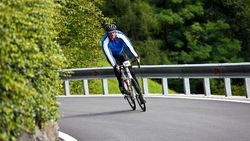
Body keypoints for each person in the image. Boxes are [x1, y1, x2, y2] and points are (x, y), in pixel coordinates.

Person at [101, 24, 140, 95]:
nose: (112, 34)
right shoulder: (105, 41)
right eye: (110, 33)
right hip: (112, 57)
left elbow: (129, 47)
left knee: (131, 72)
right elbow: (108, 55)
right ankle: (122, 88)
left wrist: (136, 57)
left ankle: (139, 92)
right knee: (118, 72)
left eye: (113, 32)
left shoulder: (120, 35)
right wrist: (115, 65)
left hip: (121, 54)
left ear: (115, 31)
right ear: (107, 34)